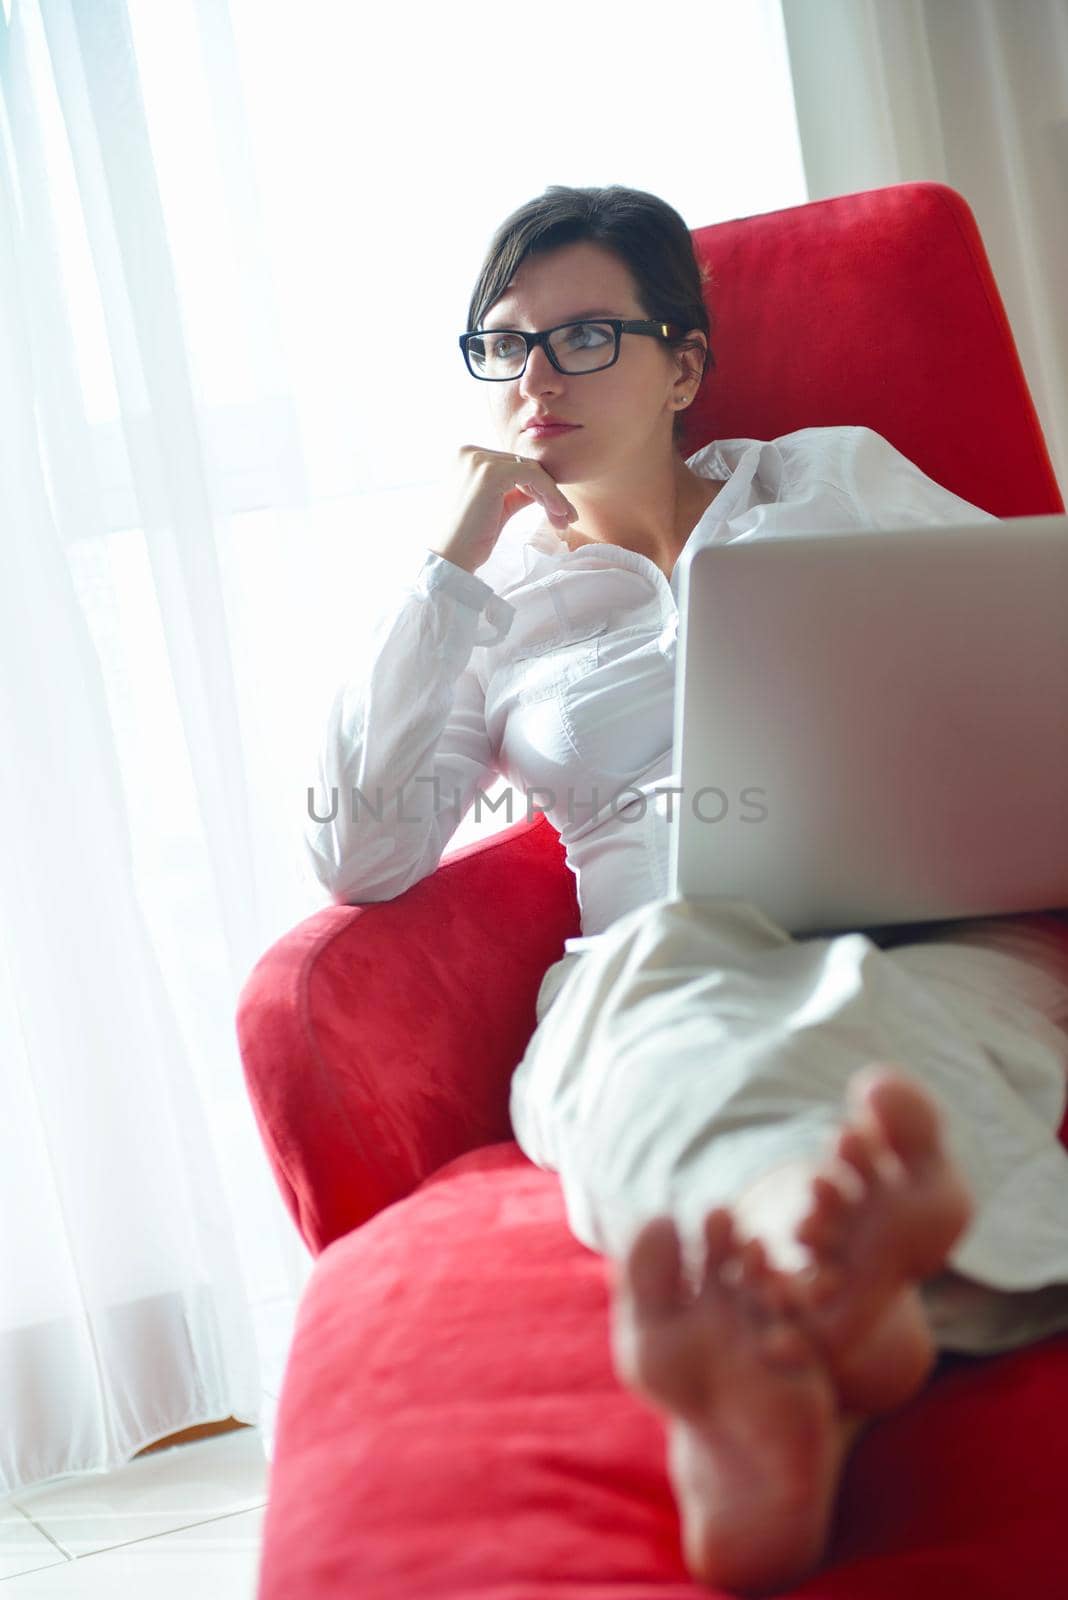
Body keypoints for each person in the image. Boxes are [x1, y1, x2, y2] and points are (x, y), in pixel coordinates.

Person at [304, 184, 1068, 1594]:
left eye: (584, 335)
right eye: (508, 343)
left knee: (936, 1008)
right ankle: (832, 1288)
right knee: (672, 1002)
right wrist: (453, 565)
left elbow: (1037, 642)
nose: (536, 376)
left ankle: (787, 1336)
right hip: (653, 957)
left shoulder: (827, 478)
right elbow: (361, 850)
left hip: (926, 924)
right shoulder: (499, 607)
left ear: (684, 366)